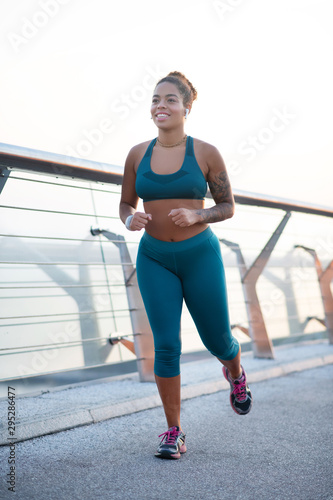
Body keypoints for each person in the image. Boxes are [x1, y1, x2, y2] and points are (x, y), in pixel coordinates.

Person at [119, 71, 253, 460]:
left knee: (217, 340)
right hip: (154, 257)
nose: (160, 105)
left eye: (170, 100)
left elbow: (228, 206)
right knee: (166, 345)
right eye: (155, 99)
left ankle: (235, 372)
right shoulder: (136, 154)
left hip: (199, 256)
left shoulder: (206, 153)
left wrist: (198, 216)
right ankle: (173, 431)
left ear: (186, 108)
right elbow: (126, 203)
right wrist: (130, 220)